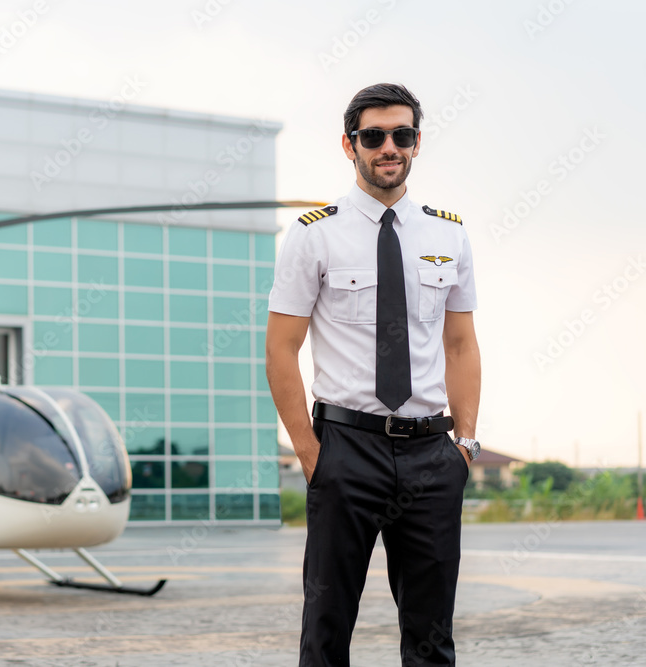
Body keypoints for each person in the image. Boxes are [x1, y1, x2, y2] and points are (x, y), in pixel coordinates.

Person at [266, 83, 481, 667]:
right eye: (374, 136)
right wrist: (312, 454)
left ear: (416, 143)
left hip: (432, 453)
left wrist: (465, 444)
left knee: (432, 635)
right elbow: (281, 350)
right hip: (345, 450)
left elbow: (460, 345)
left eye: (402, 135)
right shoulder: (315, 233)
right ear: (349, 144)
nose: (389, 147)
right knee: (328, 629)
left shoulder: (449, 234)